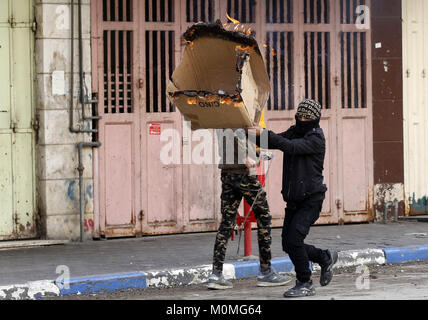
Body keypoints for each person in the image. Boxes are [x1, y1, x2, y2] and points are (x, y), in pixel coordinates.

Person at [252, 99, 338, 297]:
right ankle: (325, 257)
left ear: (315, 119)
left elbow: (290, 147)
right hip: (294, 200)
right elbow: (275, 141)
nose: (302, 119)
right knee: (288, 244)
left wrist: (263, 134)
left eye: (307, 116)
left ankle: (305, 282)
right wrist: (252, 135)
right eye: (300, 115)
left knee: (294, 240)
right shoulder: (294, 131)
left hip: (311, 199)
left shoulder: (316, 138)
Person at [207, 127, 291, 290]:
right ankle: (266, 271)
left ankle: (216, 274)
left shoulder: (219, 116)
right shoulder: (236, 112)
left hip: (227, 172)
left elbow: (231, 141)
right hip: (243, 175)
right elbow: (237, 134)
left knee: (226, 223)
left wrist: (256, 154)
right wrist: (246, 156)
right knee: (264, 216)